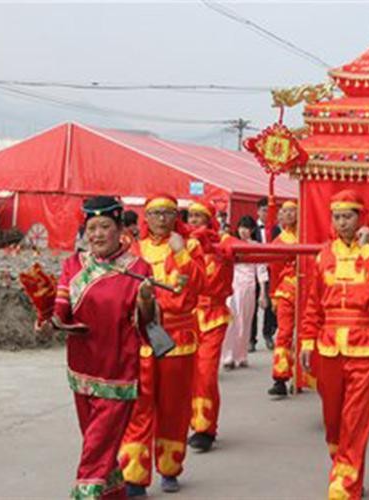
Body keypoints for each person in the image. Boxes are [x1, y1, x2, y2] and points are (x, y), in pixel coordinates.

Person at [35, 196, 157, 500]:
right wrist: (47, 320)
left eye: (105, 227)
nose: (97, 234)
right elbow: (62, 308)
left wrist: (145, 301)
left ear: (120, 230)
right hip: (81, 371)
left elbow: (149, 327)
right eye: (92, 228)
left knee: (93, 456)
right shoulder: (74, 264)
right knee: (101, 452)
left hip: (118, 373)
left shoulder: (138, 269)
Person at [300, 190, 369, 499]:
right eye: (337, 217)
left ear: (361, 217)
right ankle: (345, 467)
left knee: (355, 418)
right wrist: (306, 340)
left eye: (348, 216)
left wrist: (368, 250)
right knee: (332, 418)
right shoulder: (324, 254)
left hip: (367, 344)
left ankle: (345, 481)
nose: (342, 222)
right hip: (330, 344)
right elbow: (314, 303)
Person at [119, 194, 204, 496]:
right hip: (141, 338)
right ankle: (134, 474)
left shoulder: (189, 247)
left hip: (178, 341)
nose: (162, 219)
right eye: (156, 213)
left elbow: (193, 291)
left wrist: (181, 255)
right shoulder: (133, 249)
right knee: (138, 408)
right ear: (146, 217)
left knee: (174, 408)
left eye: (168, 213)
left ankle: (169, 468)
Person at [186, 200, 234, 453]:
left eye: (199, 217)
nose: (193, 221)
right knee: (189, 373)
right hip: (187, 317)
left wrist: (214, 248)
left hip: (214, 314)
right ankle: (189, 421)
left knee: (205, 371)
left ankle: (205, 428)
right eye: (190, 216)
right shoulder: (181, 244)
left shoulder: (223, 243)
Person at [223, 216, 268, 369]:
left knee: (244, 321)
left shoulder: (255, 246)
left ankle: (241, 355)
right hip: (231, 284)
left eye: (247, 228)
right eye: (241, 227)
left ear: (252, 230)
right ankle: (228, 356)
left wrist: (263, 293)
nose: (243, 231)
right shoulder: (231, 243)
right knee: (230, 320)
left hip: (248, 287)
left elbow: (261, 271)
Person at [268, 200, 299, 397]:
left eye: (292, 211)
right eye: (285, 211)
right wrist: (272, 296)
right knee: (284, 333)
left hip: (307, 290)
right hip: (286, 291)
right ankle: (280, 377)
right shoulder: (278, 242)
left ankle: (304, 375)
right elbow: (274, 271)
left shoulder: (308, 235)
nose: (288, 214)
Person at [250, 197, 278, 351]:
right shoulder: (251, 228)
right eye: (264, 210)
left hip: (271, 269)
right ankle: (251, 339)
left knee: (269, 303)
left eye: (269, 211)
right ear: (258, 211)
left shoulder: (277, 229)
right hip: (253, 271)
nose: (267, 214)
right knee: (251, 304)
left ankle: (268, 334)